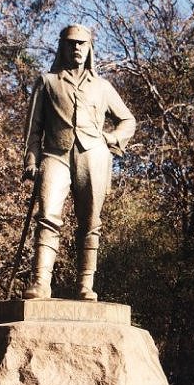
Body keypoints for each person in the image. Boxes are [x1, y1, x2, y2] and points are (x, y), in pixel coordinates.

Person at [23, 24, 136, 301]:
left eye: (82, 44)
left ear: (89, 49)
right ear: (62, 47)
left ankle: (85, 286)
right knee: (48, 216)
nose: (77, 48)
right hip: (55, 155)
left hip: (93, 156)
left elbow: (128, 120)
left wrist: (111, 139)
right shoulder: (47, 82)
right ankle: (41, 283)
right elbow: (34, 129)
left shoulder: (102, 86)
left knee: (90, 222)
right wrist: (31, 158)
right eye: (72, 43)